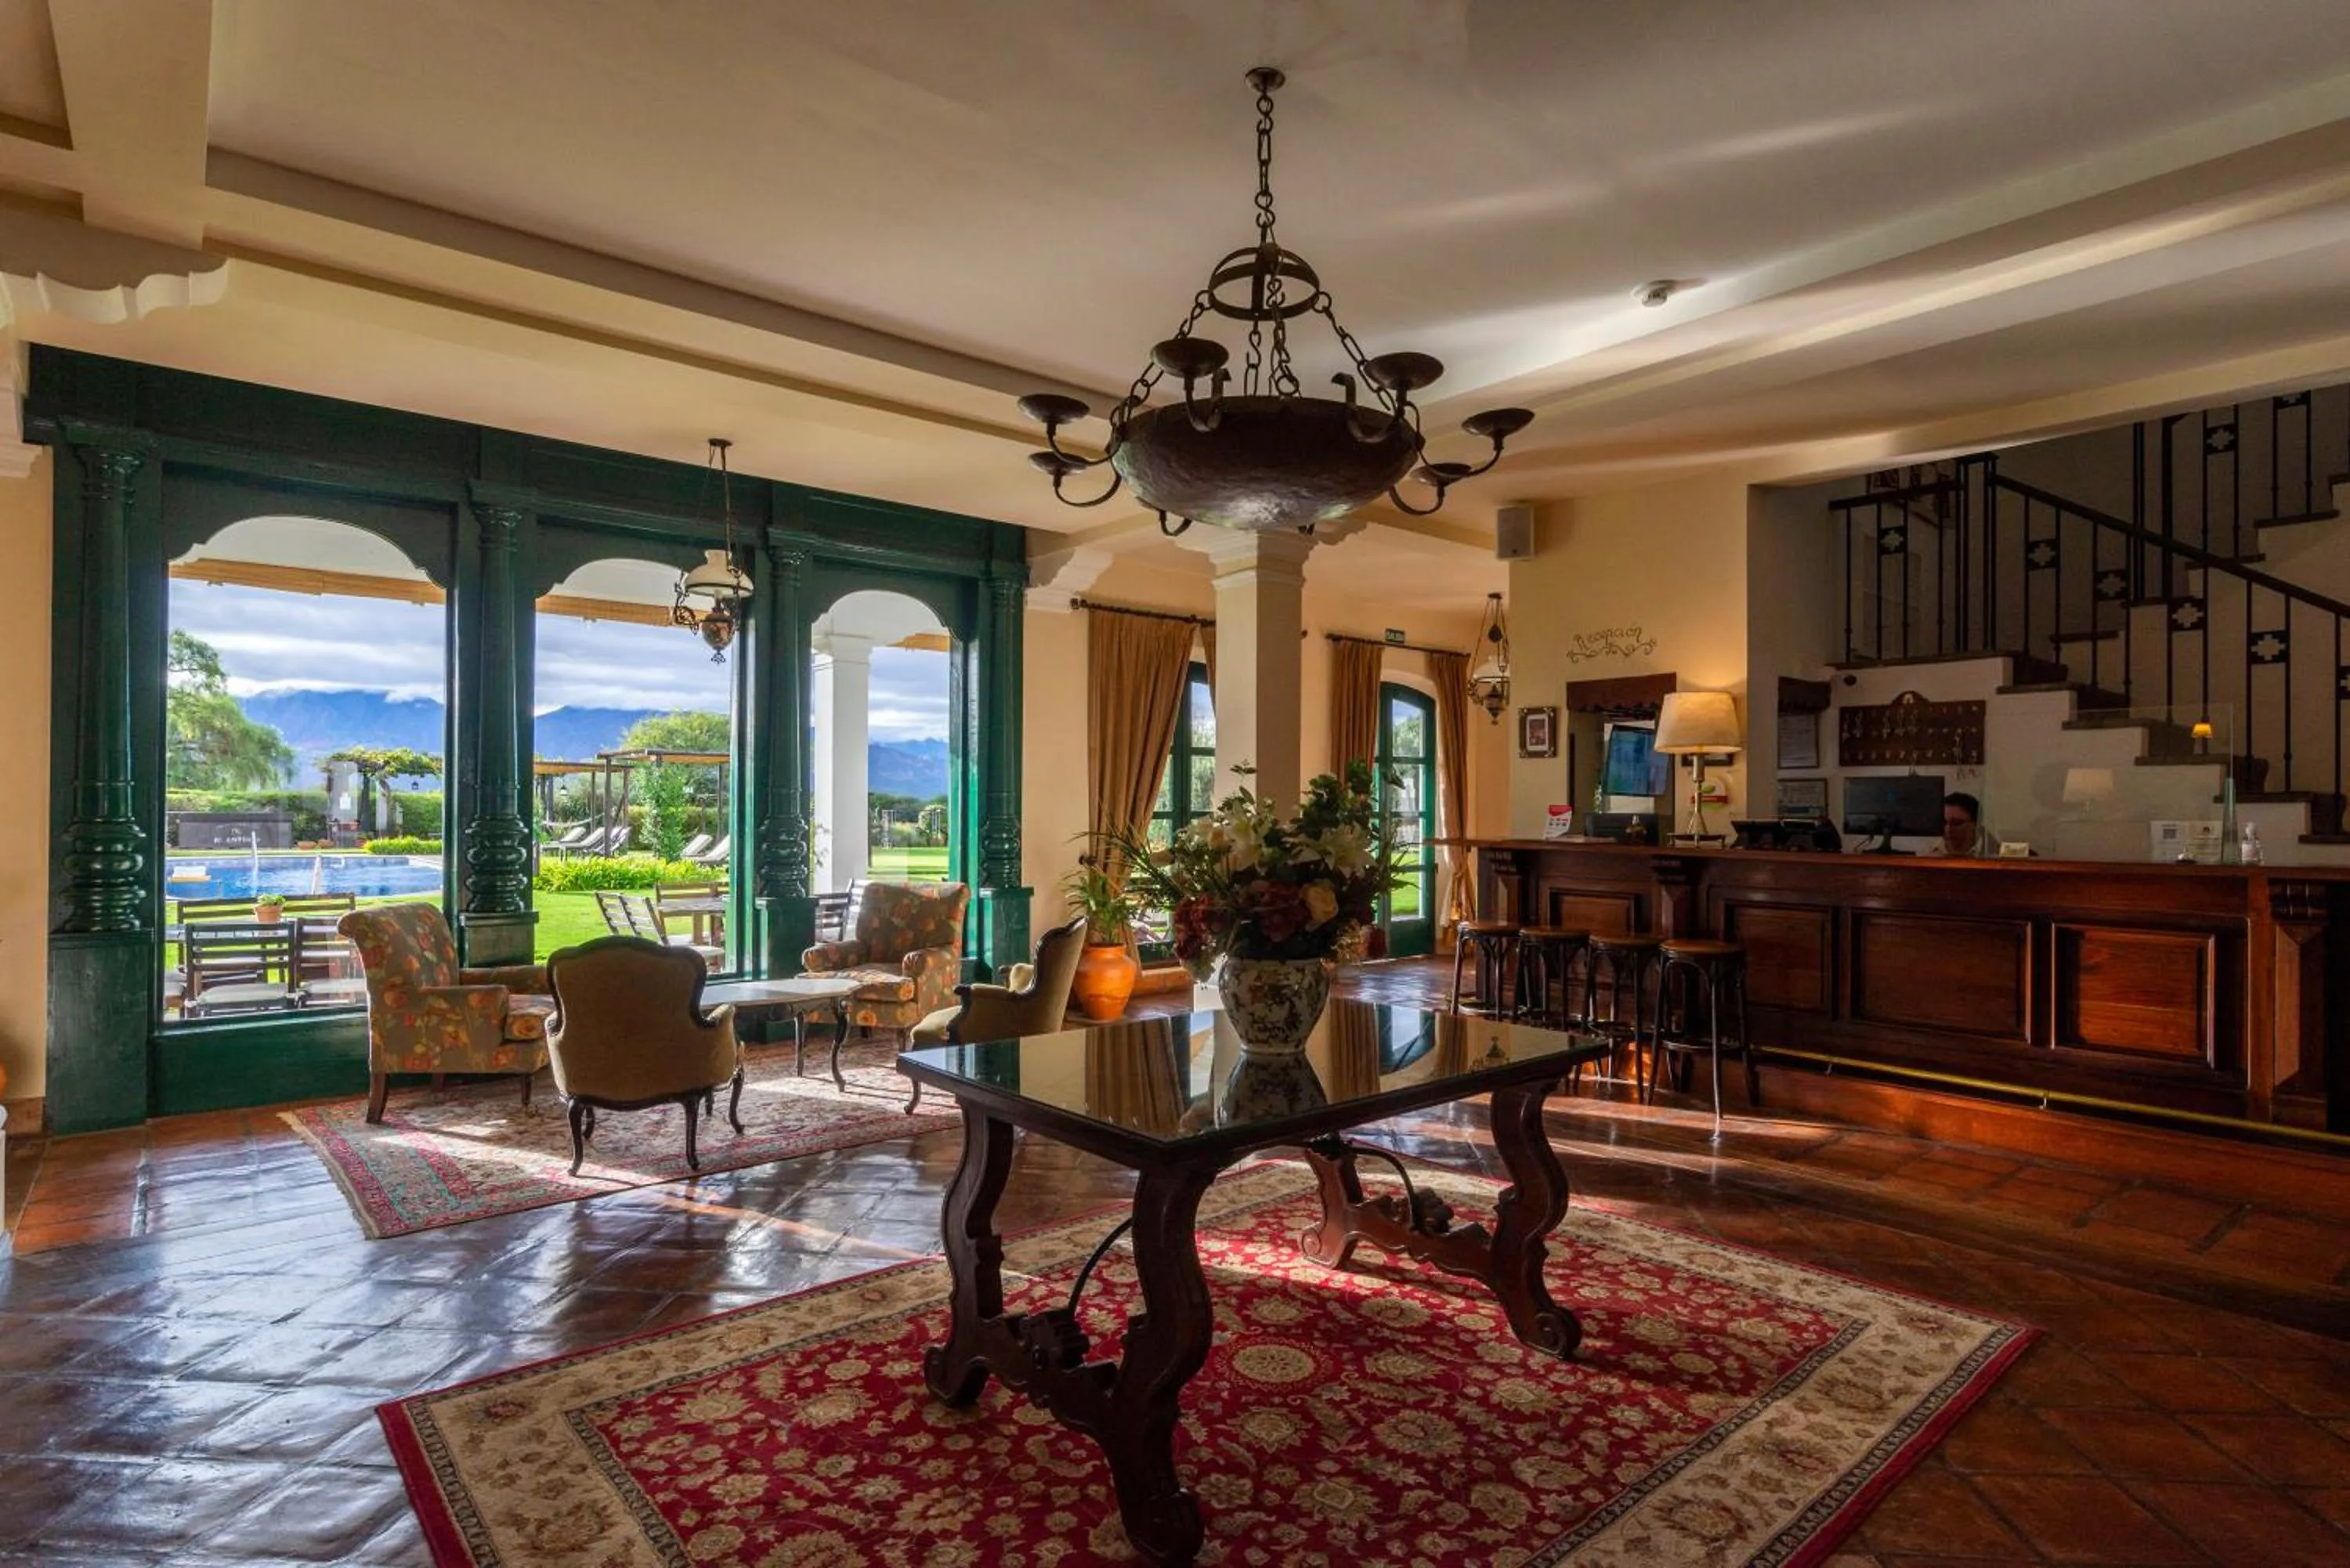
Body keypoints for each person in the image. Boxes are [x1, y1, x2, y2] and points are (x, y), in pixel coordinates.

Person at [1935, 792, 2000, 858]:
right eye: (1943, 822)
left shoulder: (1995, 855)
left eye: (1957, 823)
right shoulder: (1928, 852)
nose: (1948, 829)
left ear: (1976, 825)